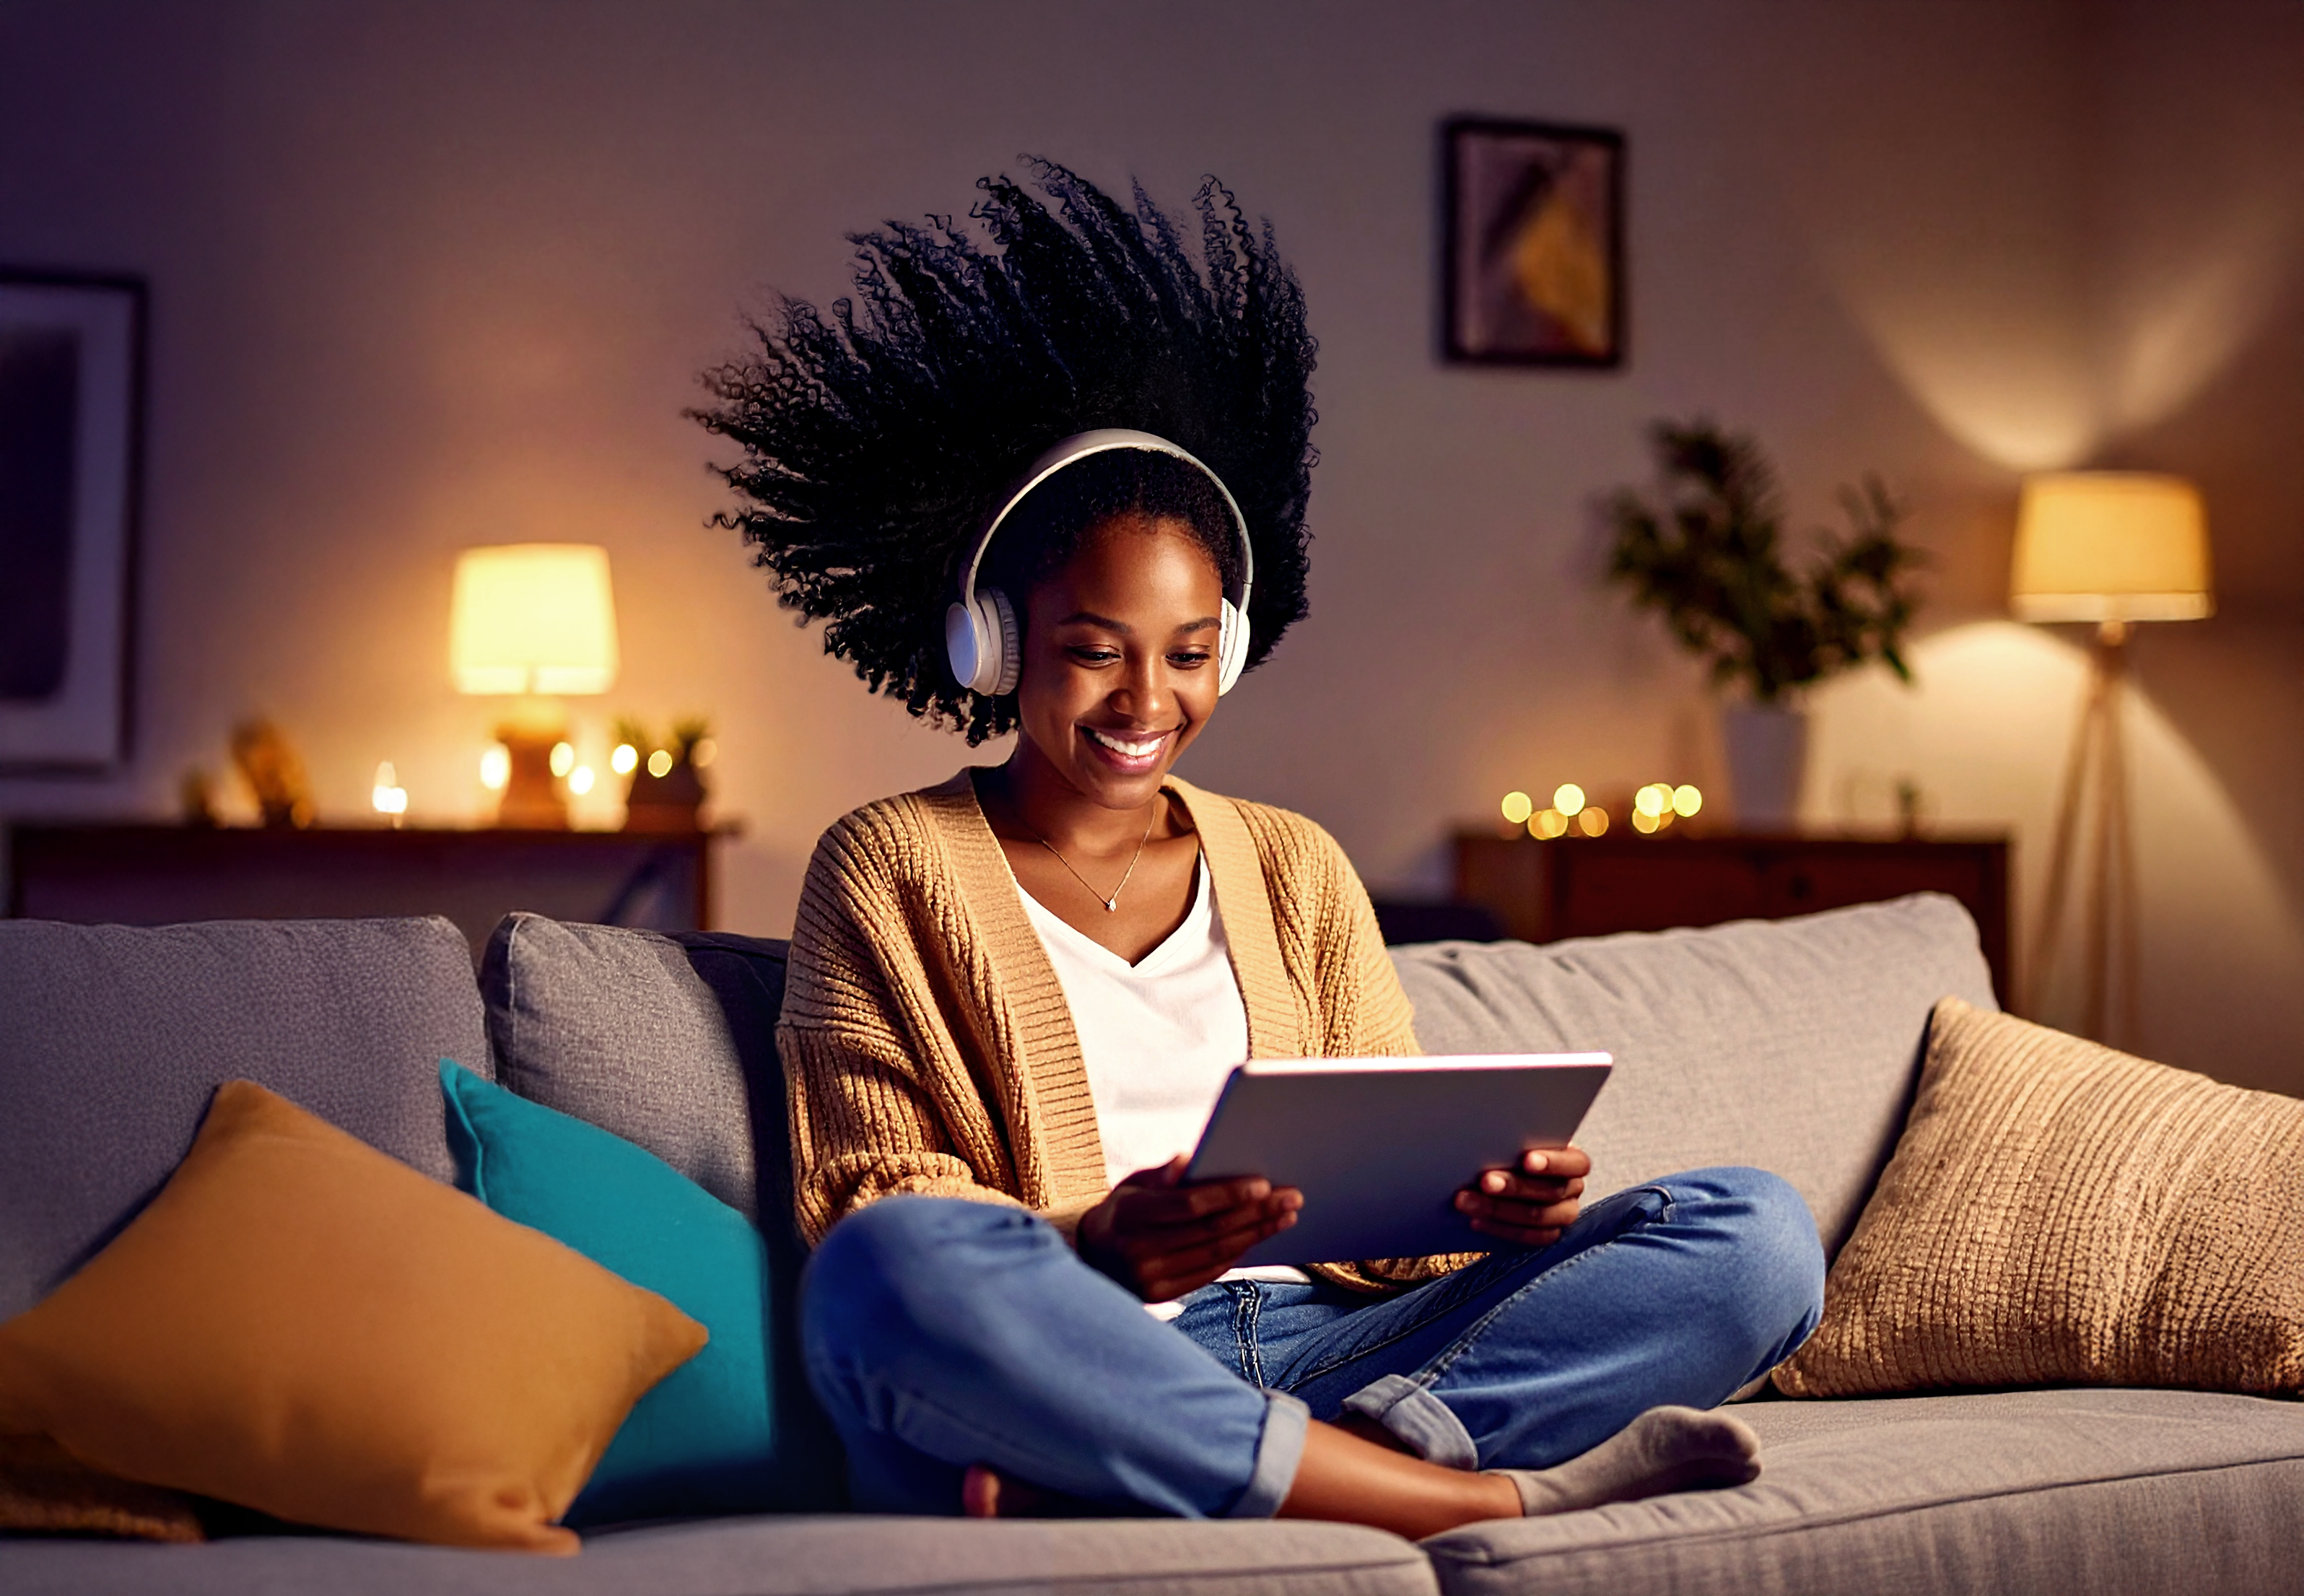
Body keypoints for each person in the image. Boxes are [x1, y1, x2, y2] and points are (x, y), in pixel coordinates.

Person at [697, 161, 1825, 1538]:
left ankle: (1250, 1468)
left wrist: (1487, 1206)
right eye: (1092, 652)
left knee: (1755, 1233)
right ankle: (1455, 1492)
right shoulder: (889, 862)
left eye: (1185, 655)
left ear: (1230, 641)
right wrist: (1092, 1244)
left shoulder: (1294, 865)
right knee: (886, 1267)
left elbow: (1393, 1227)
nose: (1144, 703)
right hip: (1088, 1345)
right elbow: (868, 1194)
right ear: (992, 645)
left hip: (1341, 1351)